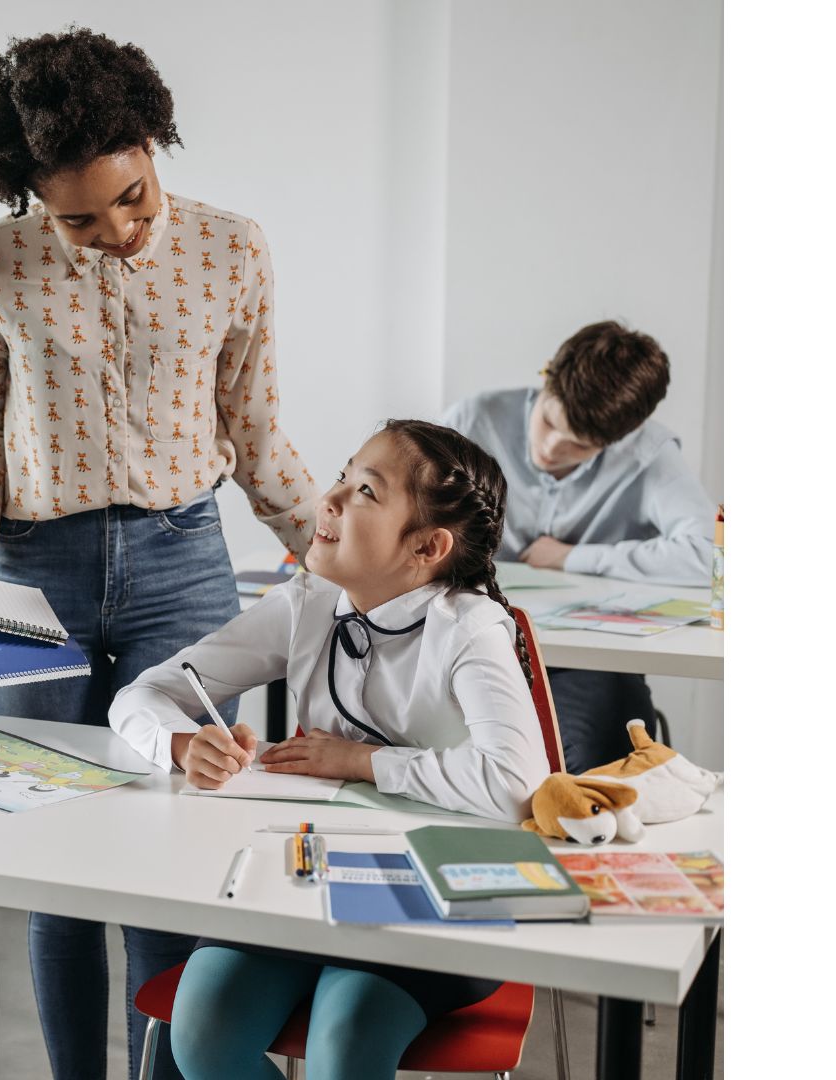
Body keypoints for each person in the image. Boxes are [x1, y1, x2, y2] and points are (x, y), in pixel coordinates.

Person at [0, 28, 320, 1080]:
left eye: (134, 199)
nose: (116, 230)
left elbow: (257, 429)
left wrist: (334, 556)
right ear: (30, 195)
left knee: (168, 848)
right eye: (79, 217)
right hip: (32, 574)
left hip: (182, 562)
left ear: (155, 146)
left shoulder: (232, 249)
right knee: (57, 860)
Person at [113, 420, 549, 1079]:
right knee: (203, 1033)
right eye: (343, 476)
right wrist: (179, 744)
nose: (332, 499)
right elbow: (142, 695)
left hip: (436, 900)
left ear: (428, 546)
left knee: (344, 1045)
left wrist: (360, 762)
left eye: (367, 492)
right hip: (305, 883)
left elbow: (516, 783)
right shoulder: (308, 604)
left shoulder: (470, 627)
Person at [442, 320, 716, 770]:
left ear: (618, 439)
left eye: (579, 447)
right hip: (467, 642)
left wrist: (573, 557)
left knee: (605, 755)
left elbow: (711, 555)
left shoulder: (648, 454)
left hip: (585, 664)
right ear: (547, 376)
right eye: (548, 422)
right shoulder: (473, 420)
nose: (551, 449)